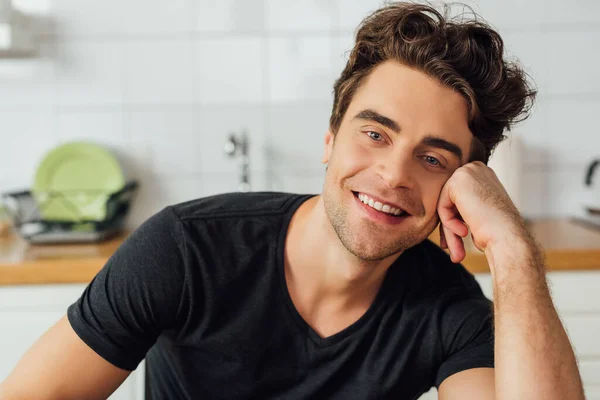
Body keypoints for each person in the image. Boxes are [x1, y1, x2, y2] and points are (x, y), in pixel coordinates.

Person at [0, 2, 585, 400]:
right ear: (330, 138)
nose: (392, 174)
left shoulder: (449, 310)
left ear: (462, 183)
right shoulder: (184, 250)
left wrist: (511, 245)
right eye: (375, 133)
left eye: (432, 159)